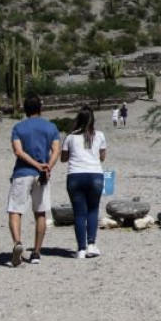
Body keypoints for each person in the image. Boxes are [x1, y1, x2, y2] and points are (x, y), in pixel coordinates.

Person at [7, 94, 62, 266]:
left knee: (15, 210)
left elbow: (18, 151)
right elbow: (56, 150)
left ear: (25, 109)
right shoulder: (50, 127)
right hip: (42, 175)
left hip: (22, 172)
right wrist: (46, 167)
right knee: (40, 212)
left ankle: (17, 242)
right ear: (40, 108)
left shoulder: (18, 127)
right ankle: (36, 252)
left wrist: (35, 165)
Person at [61, 106, 107, 259]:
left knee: (79, 213)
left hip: (75, 175)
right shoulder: (99, 135)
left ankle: (81, 248)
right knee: (93, 210)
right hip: (95, 175)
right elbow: (102, 157)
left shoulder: (70, 137)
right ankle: (92, 245)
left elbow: (63, 158)